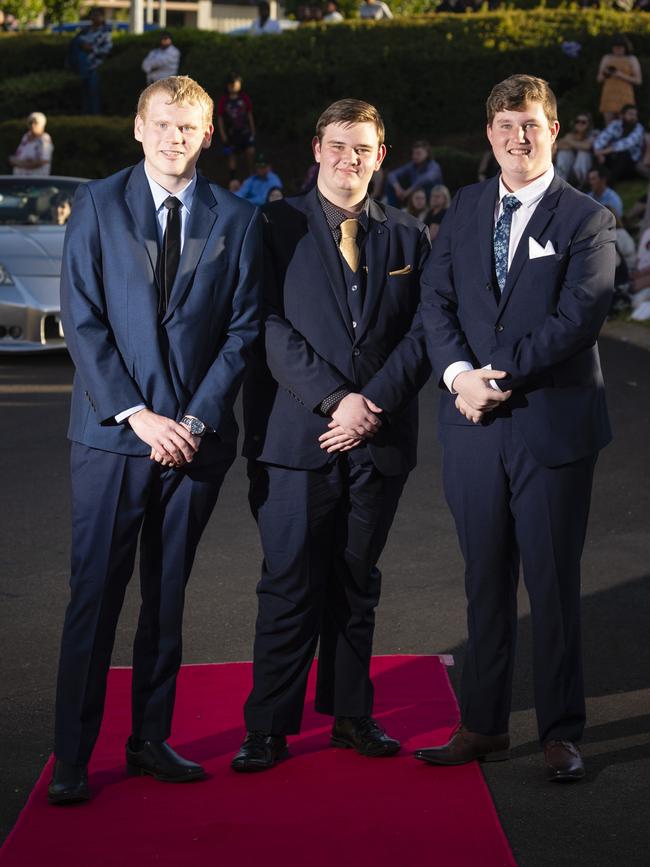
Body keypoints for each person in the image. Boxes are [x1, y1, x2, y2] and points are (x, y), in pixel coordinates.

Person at [48, 75, 261, 805]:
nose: (176, 137)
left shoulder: (237, 216)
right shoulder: (99, 205)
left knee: (166, 598)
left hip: (194, 444)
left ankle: (150, 738)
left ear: (208, 135)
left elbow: (241, 330)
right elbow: (82, 320)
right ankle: (73, 755)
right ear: (139, 129)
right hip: (113, 439)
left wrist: (194, 421)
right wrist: (139, 416)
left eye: (190, 127)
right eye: (164, 124)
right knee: (95, 599)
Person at [417, 74, 615, 783]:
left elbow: (577, 319)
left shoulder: (588, 219)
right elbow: (434, 302)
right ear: (491, 131)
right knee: (482, 579)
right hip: (470, 425)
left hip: (549, 426)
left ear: (553, 130)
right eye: (503, 124)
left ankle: (561, 731)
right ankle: (484, 724)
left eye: (529, 123)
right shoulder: (465, 206)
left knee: (553, 584)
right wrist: (456, 376)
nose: (516, 136)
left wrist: (491, 379)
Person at [234, 98, 431, 772]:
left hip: (377, 436)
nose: (352, 159)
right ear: (316, 148)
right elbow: (262, 325)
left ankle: (351, 714)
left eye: (366, 148)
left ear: (382, 154)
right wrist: (334, 398)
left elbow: (423, 334)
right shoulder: (268, 225)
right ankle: (267, 726)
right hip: (295, 438)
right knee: (289, 581)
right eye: (340, 145)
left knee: (356, 579)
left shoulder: (408, 236)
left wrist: (368, 403)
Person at [68, 7, 112, 115]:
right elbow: (74, 44)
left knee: (93, 93)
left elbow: (106, 49)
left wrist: (91, 48)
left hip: (95, 66)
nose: (95, 18)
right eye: (93, 15)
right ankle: (85, 116)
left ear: (102, 18)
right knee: (84, 94)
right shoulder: (85, 31)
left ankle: (94, 116)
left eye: (98, 15)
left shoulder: (105, 32)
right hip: (82, 66)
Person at [217, 73, 256, 180]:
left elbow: (249, 114)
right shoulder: (224, 100)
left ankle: (251, 172)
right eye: (231, 84)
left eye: (236, 83)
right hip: (232, 132)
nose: (233, 86)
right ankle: (233, 179)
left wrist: (253, 129)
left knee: (250, 151)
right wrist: (223, 134)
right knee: (232, 155)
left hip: (245, 130)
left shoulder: (244, 98)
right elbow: (220, 118)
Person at [593, 104, 646, 183]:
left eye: (635, 115)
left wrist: (602, 152)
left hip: (629, 164)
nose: (634, 117)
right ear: (622, 115)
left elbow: (625, 144)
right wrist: (598, 152)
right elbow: (601, 138)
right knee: (598, 155)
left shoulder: (638, 128)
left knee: (624, 154)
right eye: (631, 114)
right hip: (614, 159)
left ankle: (606, 184)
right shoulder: (615, 124)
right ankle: (591, 181)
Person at [597, 35, 642, 126]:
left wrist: (620, 75)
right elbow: (599, 78)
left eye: (620, 48)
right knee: (609, 125)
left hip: (625, 95)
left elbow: (638, 80)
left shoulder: (631, 59)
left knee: (625, 124)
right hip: (609, 94)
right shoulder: (607, 58)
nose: (617, 50)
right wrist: (607, 73)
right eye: (615, 48)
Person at [386, 140, 443, 206]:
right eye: (413, 153)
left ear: (427, 154)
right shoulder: (412, 165)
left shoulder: (434, 166)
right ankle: (393, 209)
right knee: (391, 184)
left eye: (418, 153)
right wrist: (397, 188)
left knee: (425, 186)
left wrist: (409, 191)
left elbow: (426, 179)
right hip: (413, 194)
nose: (414, 156)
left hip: (430, 195)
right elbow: (392, 175)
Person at [554, 112, 595, 187]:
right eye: (577, 121)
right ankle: (559, 185)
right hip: (570, 169)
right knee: (564, 153)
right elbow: (558, 145)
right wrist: (579, 144)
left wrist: (569, 142)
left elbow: (587, 146)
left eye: (583, 122)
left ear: (589, 124)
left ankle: (582, 186)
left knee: (583, 154)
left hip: (587, 170)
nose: (580, 124)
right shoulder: (570, 135)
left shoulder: (593, 134)